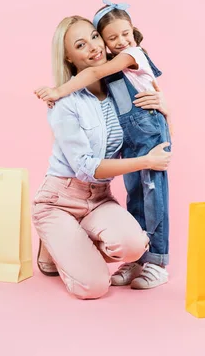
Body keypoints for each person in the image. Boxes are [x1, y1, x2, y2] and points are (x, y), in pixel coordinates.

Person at [31, 15, 172, 300]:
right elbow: (85, 168)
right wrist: (145, 162)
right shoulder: (65, 102)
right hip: (60, 199)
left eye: (95, 37)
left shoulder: (121, 89)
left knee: (135, 246)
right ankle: (55, 240)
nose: (94, 47)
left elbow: (149, 132)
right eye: (81, 45)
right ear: (69, 57)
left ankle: (73, 239)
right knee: (94, 287)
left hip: (98, 199)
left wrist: (164, 108)